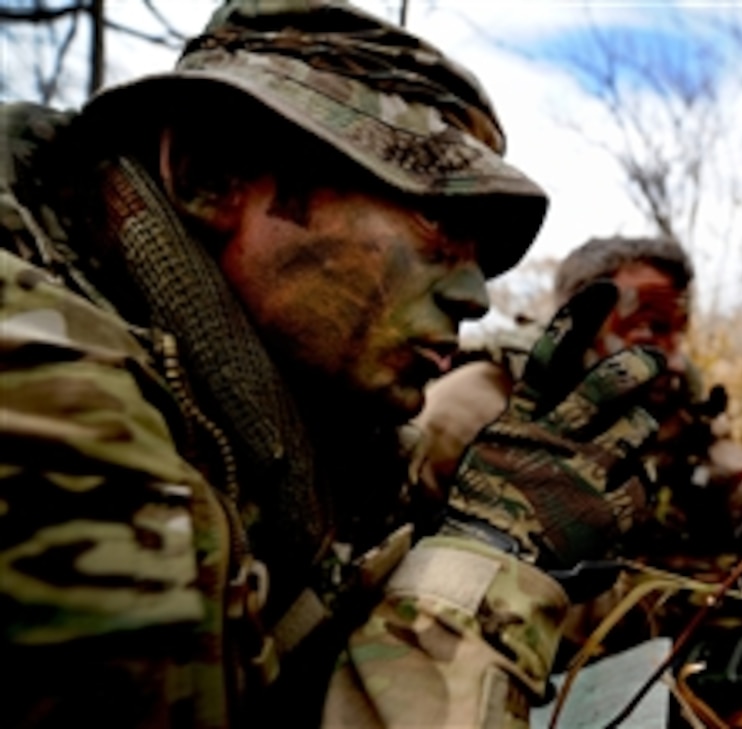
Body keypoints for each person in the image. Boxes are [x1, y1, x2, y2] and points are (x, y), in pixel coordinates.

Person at [0, 2, 667, 727]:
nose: (477, 295)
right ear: (211, 175)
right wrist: (483, 556)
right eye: (439, 221)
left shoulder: (296, 426)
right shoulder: (55, 414)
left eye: (484, 255)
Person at [415, 235, 742, 620]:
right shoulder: (473, 410)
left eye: (676, 332)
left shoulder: (665, 401)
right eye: (648, 329)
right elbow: (442, 578)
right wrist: (663, 608)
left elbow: (739, 477)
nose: (672, 358)